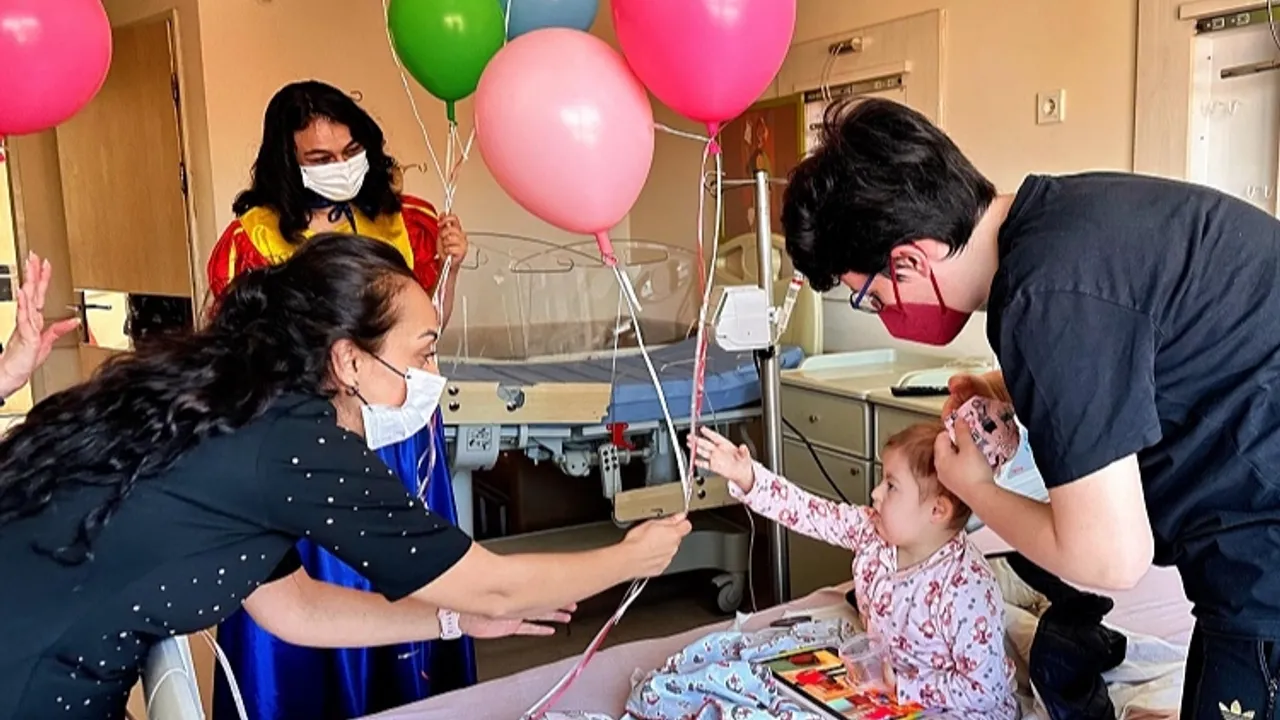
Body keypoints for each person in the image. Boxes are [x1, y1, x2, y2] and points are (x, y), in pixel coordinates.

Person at [0, 233, 692, 720]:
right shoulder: (294, 442)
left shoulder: (246, 408)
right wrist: (630, 557)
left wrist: (452, 620)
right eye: (422, 353)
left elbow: (293, 610)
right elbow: (496, 581)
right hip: (29, 673)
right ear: (349, 360)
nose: (432, 377)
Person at [781, 95, 1280, 717]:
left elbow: (1111, 557)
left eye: (874, 299)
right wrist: (1010, 387)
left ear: (907, 260)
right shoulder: (1060, 219)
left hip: (1262, 559)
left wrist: (976, 488)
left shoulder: (1042, 300)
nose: (884, 316)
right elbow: (1136, 347)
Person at [205, 80, 474, 718]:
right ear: (287, 162)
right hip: (310, 442)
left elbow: (424, 331)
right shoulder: (252, 240)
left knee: (406, 562)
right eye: (320, 159)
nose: (340, 167)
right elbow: (233, 353)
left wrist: (454, 266)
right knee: (321, 580)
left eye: (350, 151)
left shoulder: (406, 221)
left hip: (401, 438)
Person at [691, 424, 1018, 718]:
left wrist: (904, 686)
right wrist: (748, 476)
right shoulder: (871, 530)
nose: (875, 493)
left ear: (937, 510)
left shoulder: (967, 588)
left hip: (949, 703)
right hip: (880, 681)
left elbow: (985, 690)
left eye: (891, 486)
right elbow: (807, 511)